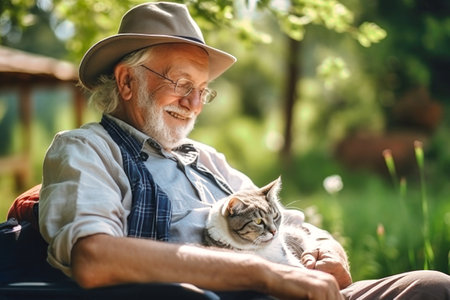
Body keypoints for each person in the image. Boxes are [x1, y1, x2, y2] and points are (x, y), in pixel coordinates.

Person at [39, 2, 450, 300]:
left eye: (202, 92)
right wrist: (260, 273)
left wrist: (324, 248)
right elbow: (93, 256)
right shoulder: (87, 149)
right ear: (127, 81)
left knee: (432, 287)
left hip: (293, 292)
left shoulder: (206, 158)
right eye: (182, 84)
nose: (194, 104)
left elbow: (288, 221)